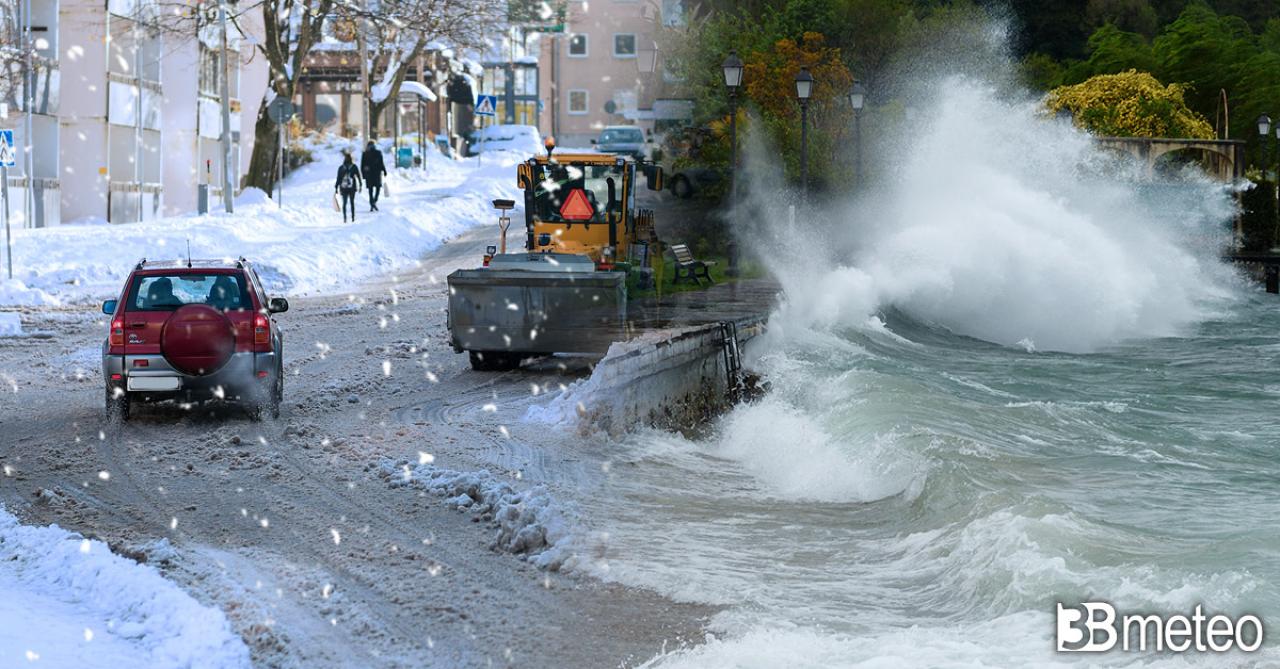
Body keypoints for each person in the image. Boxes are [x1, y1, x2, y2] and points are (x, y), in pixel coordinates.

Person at [335, 151, 362, 222]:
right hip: (352, 187)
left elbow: (338, 178)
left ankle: (345, 218)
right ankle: (353, 217)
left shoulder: (341, 167)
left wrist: (336, 187)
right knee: (352, 202)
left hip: (343, 188)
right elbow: (359, 176)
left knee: (344, 203)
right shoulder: (354, 167)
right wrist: (360, 184)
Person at [360, 141, 387, 211]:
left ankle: (372, 203)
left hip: (369, 174)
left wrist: (363, 175)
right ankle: (374, 201)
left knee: (370, 190)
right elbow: (381, 163)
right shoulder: (378, 152)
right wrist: (384, 171)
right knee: (378, 188)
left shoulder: (365, 154)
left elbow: (362, 165)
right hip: (377, 174)